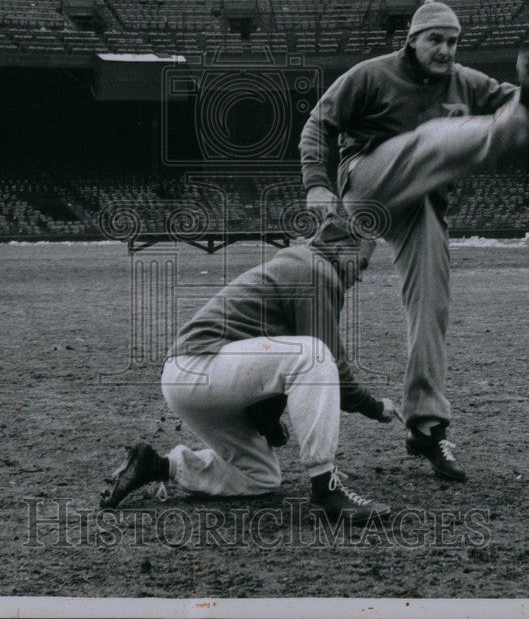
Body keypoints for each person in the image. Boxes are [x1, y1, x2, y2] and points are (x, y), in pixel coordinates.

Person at [299, 0, 529, 481]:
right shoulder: (371, 75)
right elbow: (319, 123)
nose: (445, 49)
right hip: (368, 184)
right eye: (435, 39)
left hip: (419, 202)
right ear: (412, 40)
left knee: (431, 304)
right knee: (432, 138)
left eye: (453, 41)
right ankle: (267, 392)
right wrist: (317, 183)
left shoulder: (464, 80)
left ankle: (427, 426)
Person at [101, 215, 400, 523]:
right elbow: (333, 370)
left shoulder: (303, 264)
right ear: (340, 249)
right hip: (199, 367)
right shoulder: (318, 272)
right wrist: (377, 407)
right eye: (361, 264)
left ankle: (158, 465)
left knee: (260, 476)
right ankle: (326, 489)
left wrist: (268, 419)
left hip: (195, 377)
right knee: (314, 354)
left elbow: (267, 353)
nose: (361, 276)